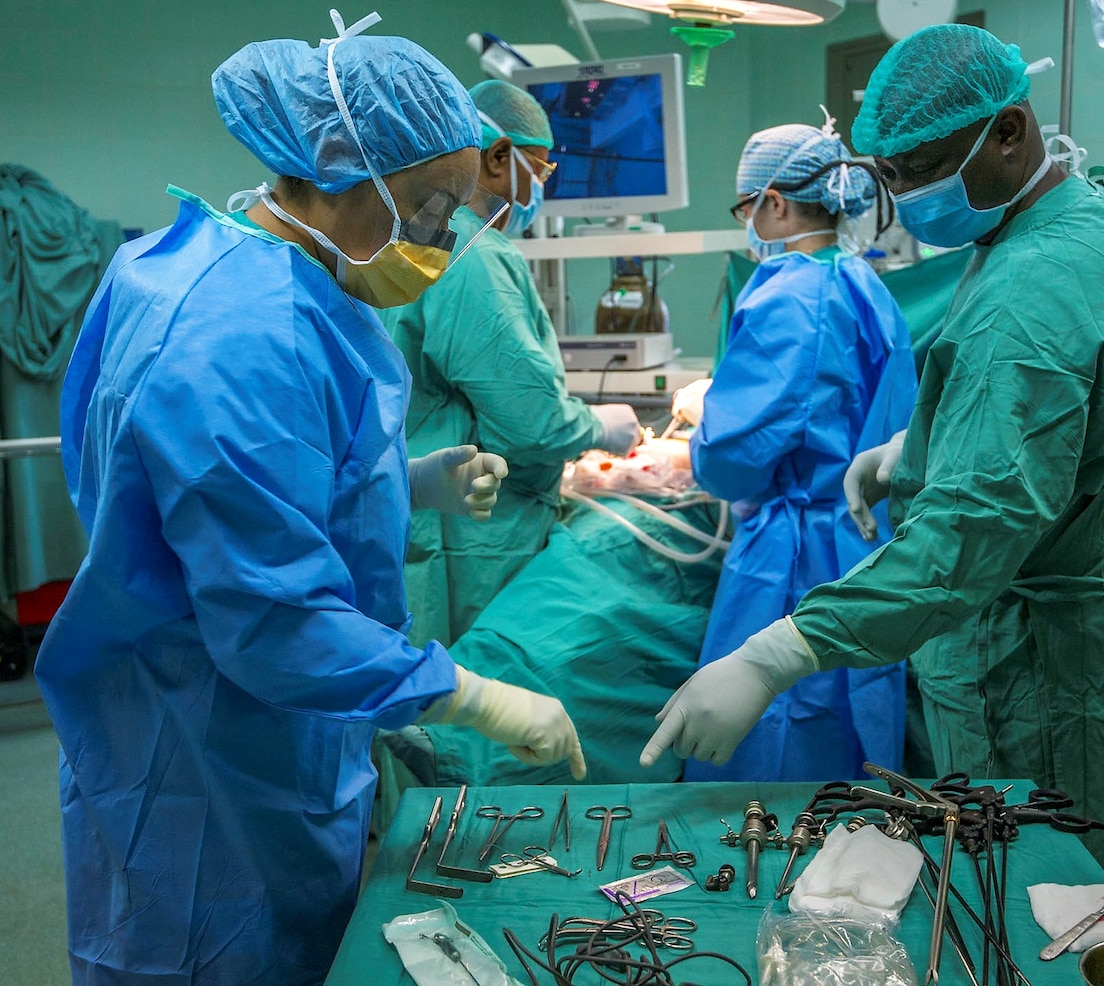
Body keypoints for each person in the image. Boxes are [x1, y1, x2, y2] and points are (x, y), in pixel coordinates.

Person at [35, 13, 584, 985]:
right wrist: (473, 696)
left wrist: (406, 485)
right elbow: (274, 623)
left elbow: (186, 495)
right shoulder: (243, 338)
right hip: (211, 754)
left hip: (218, 712)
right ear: (339, 175)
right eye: (424, 209)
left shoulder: (202, 264)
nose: (438, 238)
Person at [641, 23, 1104, 946]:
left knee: (1076, 927)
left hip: (1063, 672)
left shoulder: (1037, 282)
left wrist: (773, 655)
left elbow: (967, 535)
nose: (906, 199)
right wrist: (921, 445)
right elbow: (1070, 412)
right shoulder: (1090, 218)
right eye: (890, 175)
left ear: (1011, 131)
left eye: (927, 168)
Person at [671, 117, 917, 782]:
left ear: (774, 203)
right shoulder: (865, 282)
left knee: (776, 751)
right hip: (863, 544)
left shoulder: (791, 295)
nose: (748, 222)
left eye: (747, 206)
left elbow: (732, 457)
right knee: (850, 739)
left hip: (796, 560)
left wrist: (704, 422)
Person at [381, 79, 639, 648]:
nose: (541, 188)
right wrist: (600, 427)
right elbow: (528, 422)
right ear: (499, 157)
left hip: (424, 517)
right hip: (478, 534)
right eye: (541, 172)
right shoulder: (474, 258)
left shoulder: (414, 242)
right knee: (478, 714)